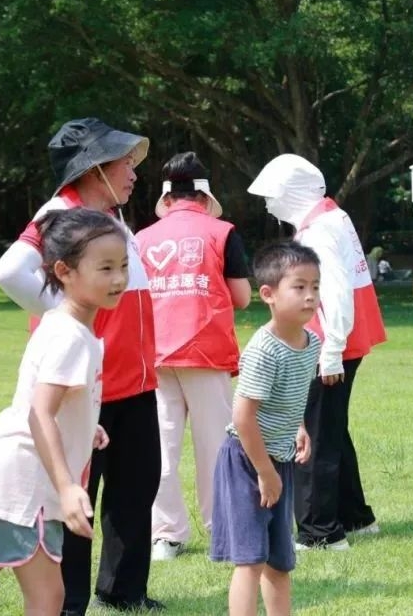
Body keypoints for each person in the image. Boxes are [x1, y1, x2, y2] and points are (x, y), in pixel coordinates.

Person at [0, 118, 163, 614]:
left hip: (131, 377)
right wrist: (64, 314)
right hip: (85, 384)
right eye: (122, 163)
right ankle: (69, 603)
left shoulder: (108, 216)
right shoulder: (61, 213)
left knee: (135, 485)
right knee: (74, 496)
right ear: (92, 168)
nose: (132, 172)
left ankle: (123, 589)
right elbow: (8, 270)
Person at [248, 155, 387, 550]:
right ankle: (354, 516)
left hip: (330, 342)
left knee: (314, 434)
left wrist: (331, 351)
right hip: (341, 340)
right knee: (332, 430)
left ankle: (320, 531)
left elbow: (336, 289)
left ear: (293, 194)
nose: (268, 205)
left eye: (272, 196)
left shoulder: (319, 231)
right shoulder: (331, 219)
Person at [0, 209, 122, 615]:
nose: (119, 278)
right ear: (65, 271)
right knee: (48, 598)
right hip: (26, 484)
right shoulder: (70, 336)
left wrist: (86, 426)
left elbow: (55, 401)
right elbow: (39, 412)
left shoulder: (68, 326)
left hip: (27, 480)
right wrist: (69, 488)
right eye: (105, 268)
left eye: (123, 265)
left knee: (48, 596)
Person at [136, 153, 252, 562]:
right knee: (216, 445)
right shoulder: (222, 233)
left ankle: (165, 535)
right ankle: (222, 527)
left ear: (166, 197)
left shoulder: (142, 239)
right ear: (205, 195)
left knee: (161, 447)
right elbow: (241, 297)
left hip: (153, 355)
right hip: (206, 351)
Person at [209, 242, 320, 616]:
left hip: (277, 457)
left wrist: (299, 427)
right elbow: (243, 417)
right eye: (300, 287)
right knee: (251, 559)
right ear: (269, 294)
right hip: (247, 460)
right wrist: (265, 472)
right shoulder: (264, 349)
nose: (310, 296)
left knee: (279, 560)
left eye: (315, 287)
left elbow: (292, 395)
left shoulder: (311, 342)